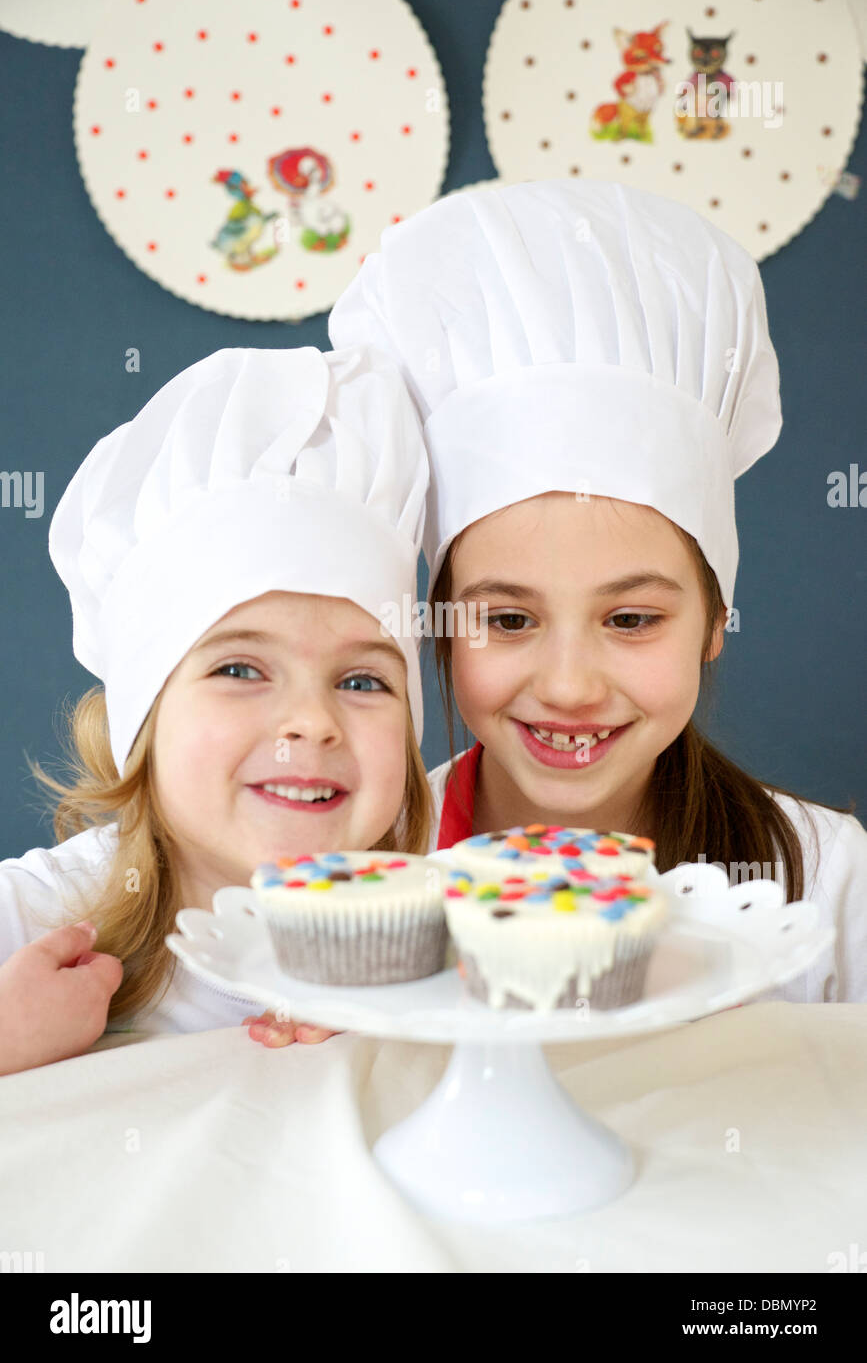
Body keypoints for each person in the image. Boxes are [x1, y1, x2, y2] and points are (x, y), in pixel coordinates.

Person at [329, 178, 867, 1004]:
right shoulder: (358, 884)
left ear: (714, 618)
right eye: (507, 618)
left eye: (629, 618)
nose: (570, 686)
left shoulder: (828, 884)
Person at [0, 345, 431, 1075]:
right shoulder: (31, 922)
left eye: (362, 681)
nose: (312, 722)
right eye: (240, 669)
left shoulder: (457, 936)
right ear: (144, 719)